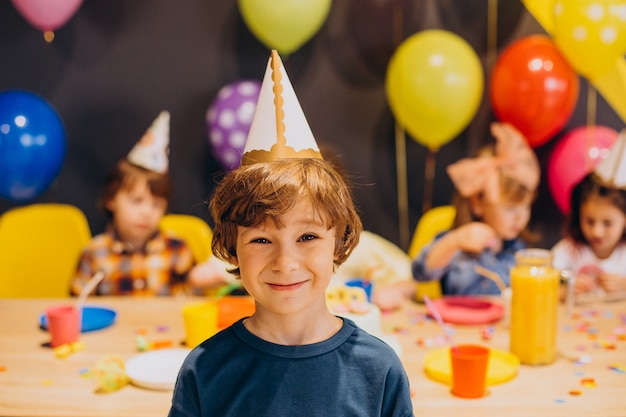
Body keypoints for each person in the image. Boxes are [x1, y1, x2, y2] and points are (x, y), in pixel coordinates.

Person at [168, 50, 414, 417]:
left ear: (340, 241)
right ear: (232, 250)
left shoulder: (379, 371)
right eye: (262, 240)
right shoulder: (204, 371)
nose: (285, 263)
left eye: (308, 237)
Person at [71, 112, 219, 296]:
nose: (146, 212)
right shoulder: (94, 253)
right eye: (136, 201)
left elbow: (194, 301)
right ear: (111, 199)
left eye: (156, 204)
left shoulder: (178, 249)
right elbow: (78, 307)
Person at [411, 122, 540, 296]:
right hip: (457, 322)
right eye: (510, 209)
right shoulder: (459, 245)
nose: (520, 218)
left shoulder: (519, 251)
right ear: (477, 203)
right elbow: (421, 271)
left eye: (526, 207)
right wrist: (454, 242)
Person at [552, 131, 626, 299]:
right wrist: (566, 287)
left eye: (607, 223)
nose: (597, 232)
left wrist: (624, 286)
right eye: (590, 221)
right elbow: (547, 277)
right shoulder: (570, 250)